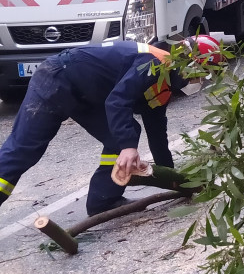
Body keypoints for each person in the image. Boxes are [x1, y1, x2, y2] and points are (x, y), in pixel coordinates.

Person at [0, 35, 223, 216]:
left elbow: (157, 134)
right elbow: (117, 102)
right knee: (24, 151)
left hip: (85, 94)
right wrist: (129, 148)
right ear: (192, 64)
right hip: (57, 79)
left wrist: (174, 180)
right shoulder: (153, 63)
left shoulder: (162, 83)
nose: (198, 82)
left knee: (123, 133)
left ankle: (103, 201)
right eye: (200, 76)